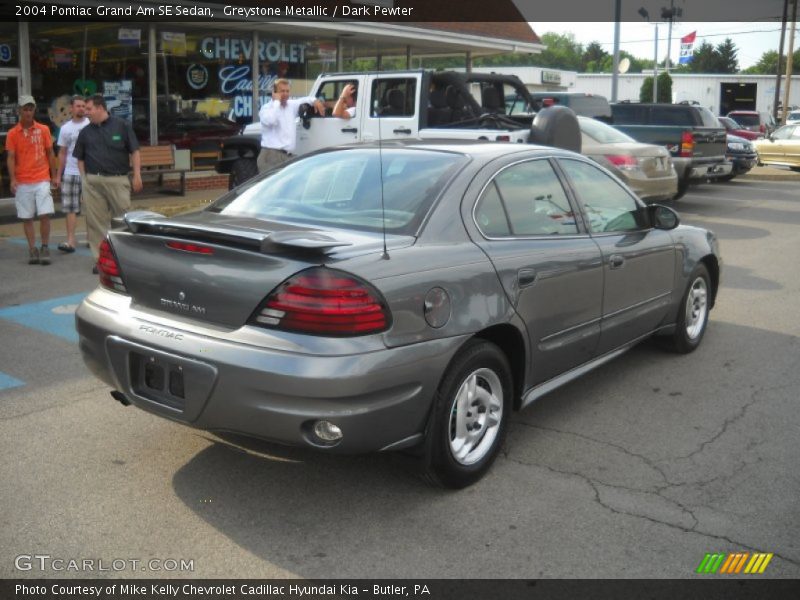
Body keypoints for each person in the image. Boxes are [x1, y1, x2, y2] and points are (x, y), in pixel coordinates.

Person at [73, 93, 142, 271]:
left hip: (118, 180)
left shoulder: (122, 126)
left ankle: (124, 258)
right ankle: (101, 260)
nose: (85, 112)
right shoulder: (85, 132)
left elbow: (134, 151)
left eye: (89, 109)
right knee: (95, 223)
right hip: (93, 181)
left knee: (122, 220)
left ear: (100, 108)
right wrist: (84, 180)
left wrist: (137, 175)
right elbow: (79, 158)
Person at [6, 95, 58, 265]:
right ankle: (32, 249)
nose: (28, 112)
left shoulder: (43, 129)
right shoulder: (13, 133)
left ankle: (44, 246)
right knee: (26, 217)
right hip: (23, 180)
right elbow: (11, 157)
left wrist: (54, 175)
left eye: (31, 109)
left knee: (45, 214)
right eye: (25, 109)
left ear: (34, 110)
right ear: (19, 111)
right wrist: (13, 179)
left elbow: (50, 153)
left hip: (42, 177)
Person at [257, 78, 325, 173]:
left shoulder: (291, 105)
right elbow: (271, 120)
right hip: (271, 155)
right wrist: (277, 102)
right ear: (274, 92)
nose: (285, 94)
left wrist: (314, 101)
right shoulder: (266, 108)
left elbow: (305, 99)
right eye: (282, 91)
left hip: (288, 156)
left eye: (287, 91)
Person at [54, 95, 89, 253]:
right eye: (78, 106)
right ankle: (71, 241)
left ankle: (91, 238)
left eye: (83, 106)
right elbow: (62, 153)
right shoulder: (65, 128)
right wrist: (58, 176)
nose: (81, 108)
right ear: (71, 109)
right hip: (70, 172)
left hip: (89, 173)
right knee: (70, 208)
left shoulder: (91, 125)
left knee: (91, 208)